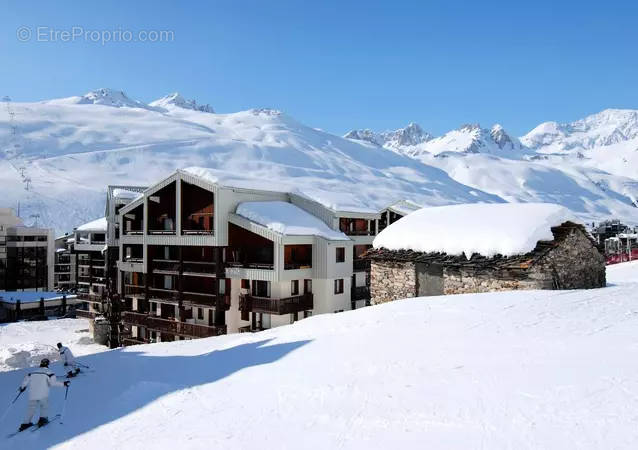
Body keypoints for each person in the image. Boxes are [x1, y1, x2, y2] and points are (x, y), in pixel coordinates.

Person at [18, 358, 69, 431]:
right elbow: (53, 383)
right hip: (43, 394)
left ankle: (25, 423)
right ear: (48, 364)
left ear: (41, 364)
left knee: (31, 408)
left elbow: (26, 380)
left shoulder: (33, 372)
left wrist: (23, 387)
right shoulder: (49, 372)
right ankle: (42, 419)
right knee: (44, 406)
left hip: (32, 394)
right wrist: (64, 384)